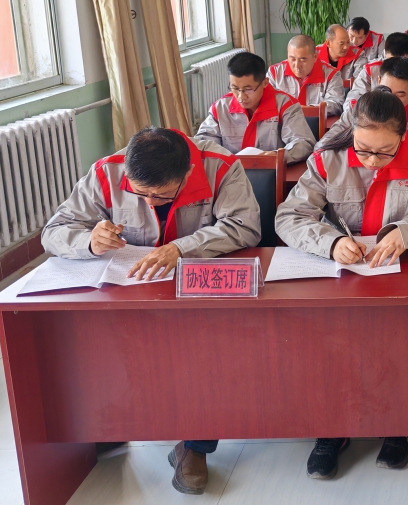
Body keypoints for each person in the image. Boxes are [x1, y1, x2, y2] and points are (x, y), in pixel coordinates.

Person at [41, 127, 261, 495]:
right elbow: (55, 230)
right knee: (89, 339)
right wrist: (89, 240)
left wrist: (182, 248)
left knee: (207, 351)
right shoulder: (107, 171)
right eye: (139, 193)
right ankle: (108, 424)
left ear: (188, 173)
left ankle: (195, 446)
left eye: (160, 195)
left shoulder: (220, 167)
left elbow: (245, 226)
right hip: (132, 290)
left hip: (196, 291)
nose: (149, 202)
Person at [275, 89, 408, 479]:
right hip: (341, 270)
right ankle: (332, 428)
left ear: (403, 137)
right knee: (327, 346)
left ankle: (400, 424)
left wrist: (406, 232)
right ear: (352, 132)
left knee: (399, 343)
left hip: (401, 271)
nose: (372, 161)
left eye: (384, 152)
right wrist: (330, 242)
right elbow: (289, 217)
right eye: (363, 150)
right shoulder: (327, 160)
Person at [324, 58, 408, 161]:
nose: (391, 99)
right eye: (385, 90)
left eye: (400, 95)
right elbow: (327, 142)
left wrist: (397, 153)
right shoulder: (361, 106)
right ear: (378, 81)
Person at [197, 52, 314, 164]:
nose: (241, 96)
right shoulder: (220, 108)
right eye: (235, 88)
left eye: (248, 89)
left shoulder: (285, 105)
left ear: (265, 83)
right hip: (230, 174)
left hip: (272, 173)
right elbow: (202, 143)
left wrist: (277, 156)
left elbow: (304, 143)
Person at [267, 34, 345, 115]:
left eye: (303, 60)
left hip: (316, 122)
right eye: (292, 59)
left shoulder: (331, 74)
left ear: (315, 57)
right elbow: (266, 102)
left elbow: (336, 104)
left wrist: (305, 111)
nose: (297, 65)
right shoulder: (274, 73)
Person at [317, 24, 364, 89]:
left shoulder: (358, 54)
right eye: (341, 44)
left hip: (349, 94)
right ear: (328, 43)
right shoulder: (314, 55)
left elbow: (361, 83)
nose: (346, 47)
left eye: (348, 42)